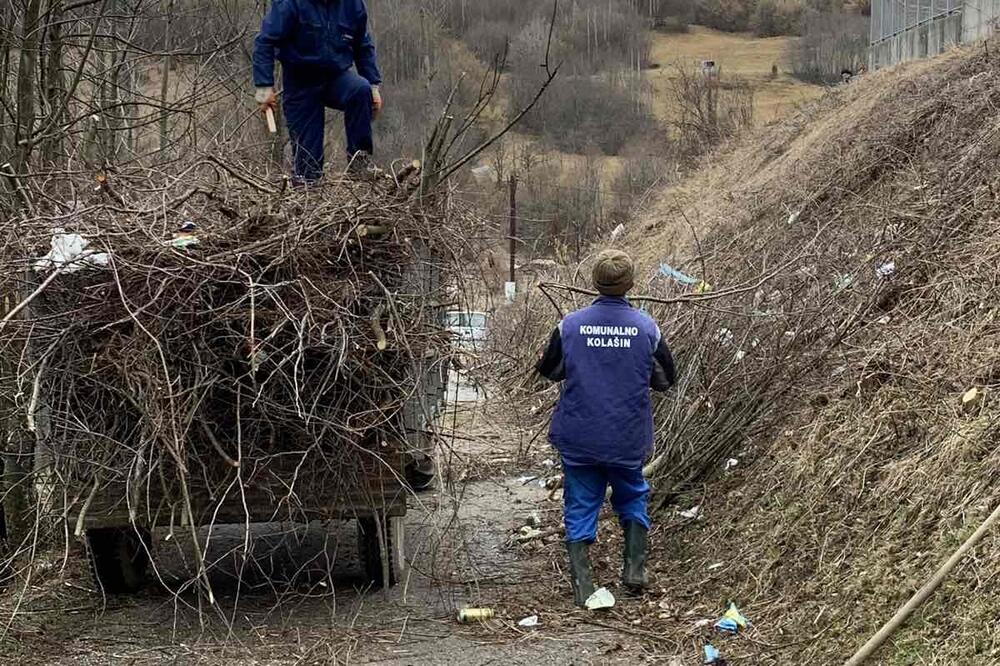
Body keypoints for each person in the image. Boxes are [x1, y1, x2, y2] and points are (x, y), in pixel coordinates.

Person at [536, 250, 675, 607]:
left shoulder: (570, 325)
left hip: (580, 433)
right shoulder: (647, 327)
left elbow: (550, 370)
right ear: (630, 285)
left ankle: (583, 586)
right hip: (627, 434)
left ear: (594, 283)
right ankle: (635, 572)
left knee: (581, 504)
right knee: (632, 494)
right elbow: (665, 380)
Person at [252, 0, 383, 183]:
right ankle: (308, 195)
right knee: (309, 171)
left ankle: (360, 164)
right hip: (300, 84)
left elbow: (363, 45)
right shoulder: (291, 4)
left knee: (361, 90)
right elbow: (264, 42)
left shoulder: (352, 5)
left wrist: (374, 87)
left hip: (336, 77)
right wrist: (264, 86)